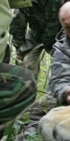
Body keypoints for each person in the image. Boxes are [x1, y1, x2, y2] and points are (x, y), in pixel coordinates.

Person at [9, 0, 70, 80]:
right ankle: (28, 90)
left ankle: (59, 88)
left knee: (64, 66)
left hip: (58, 36)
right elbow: (17, 25)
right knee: (26, 68)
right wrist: (19, 48)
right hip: (35, 35)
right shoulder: (24, 1)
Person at [0, 0, 37, 137]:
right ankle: (29, 112)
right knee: (26, 78)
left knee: (24, 82)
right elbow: (18, 22)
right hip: (34, 37)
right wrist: (20, 47)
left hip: (55, 39)